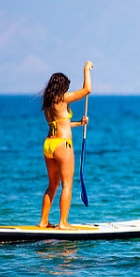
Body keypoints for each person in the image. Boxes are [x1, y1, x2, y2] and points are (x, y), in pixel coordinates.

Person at [39, 61, 92, 228]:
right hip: (63, 145)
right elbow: (87, 90)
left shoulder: (48, 102)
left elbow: (61, 123)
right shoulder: (63, 98)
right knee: (67, 184)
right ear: (62, 87)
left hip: (49, 145)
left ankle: (43, 221)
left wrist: (79, 123)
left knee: (52, 185)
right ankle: (63, 223)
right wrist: (86, 70)